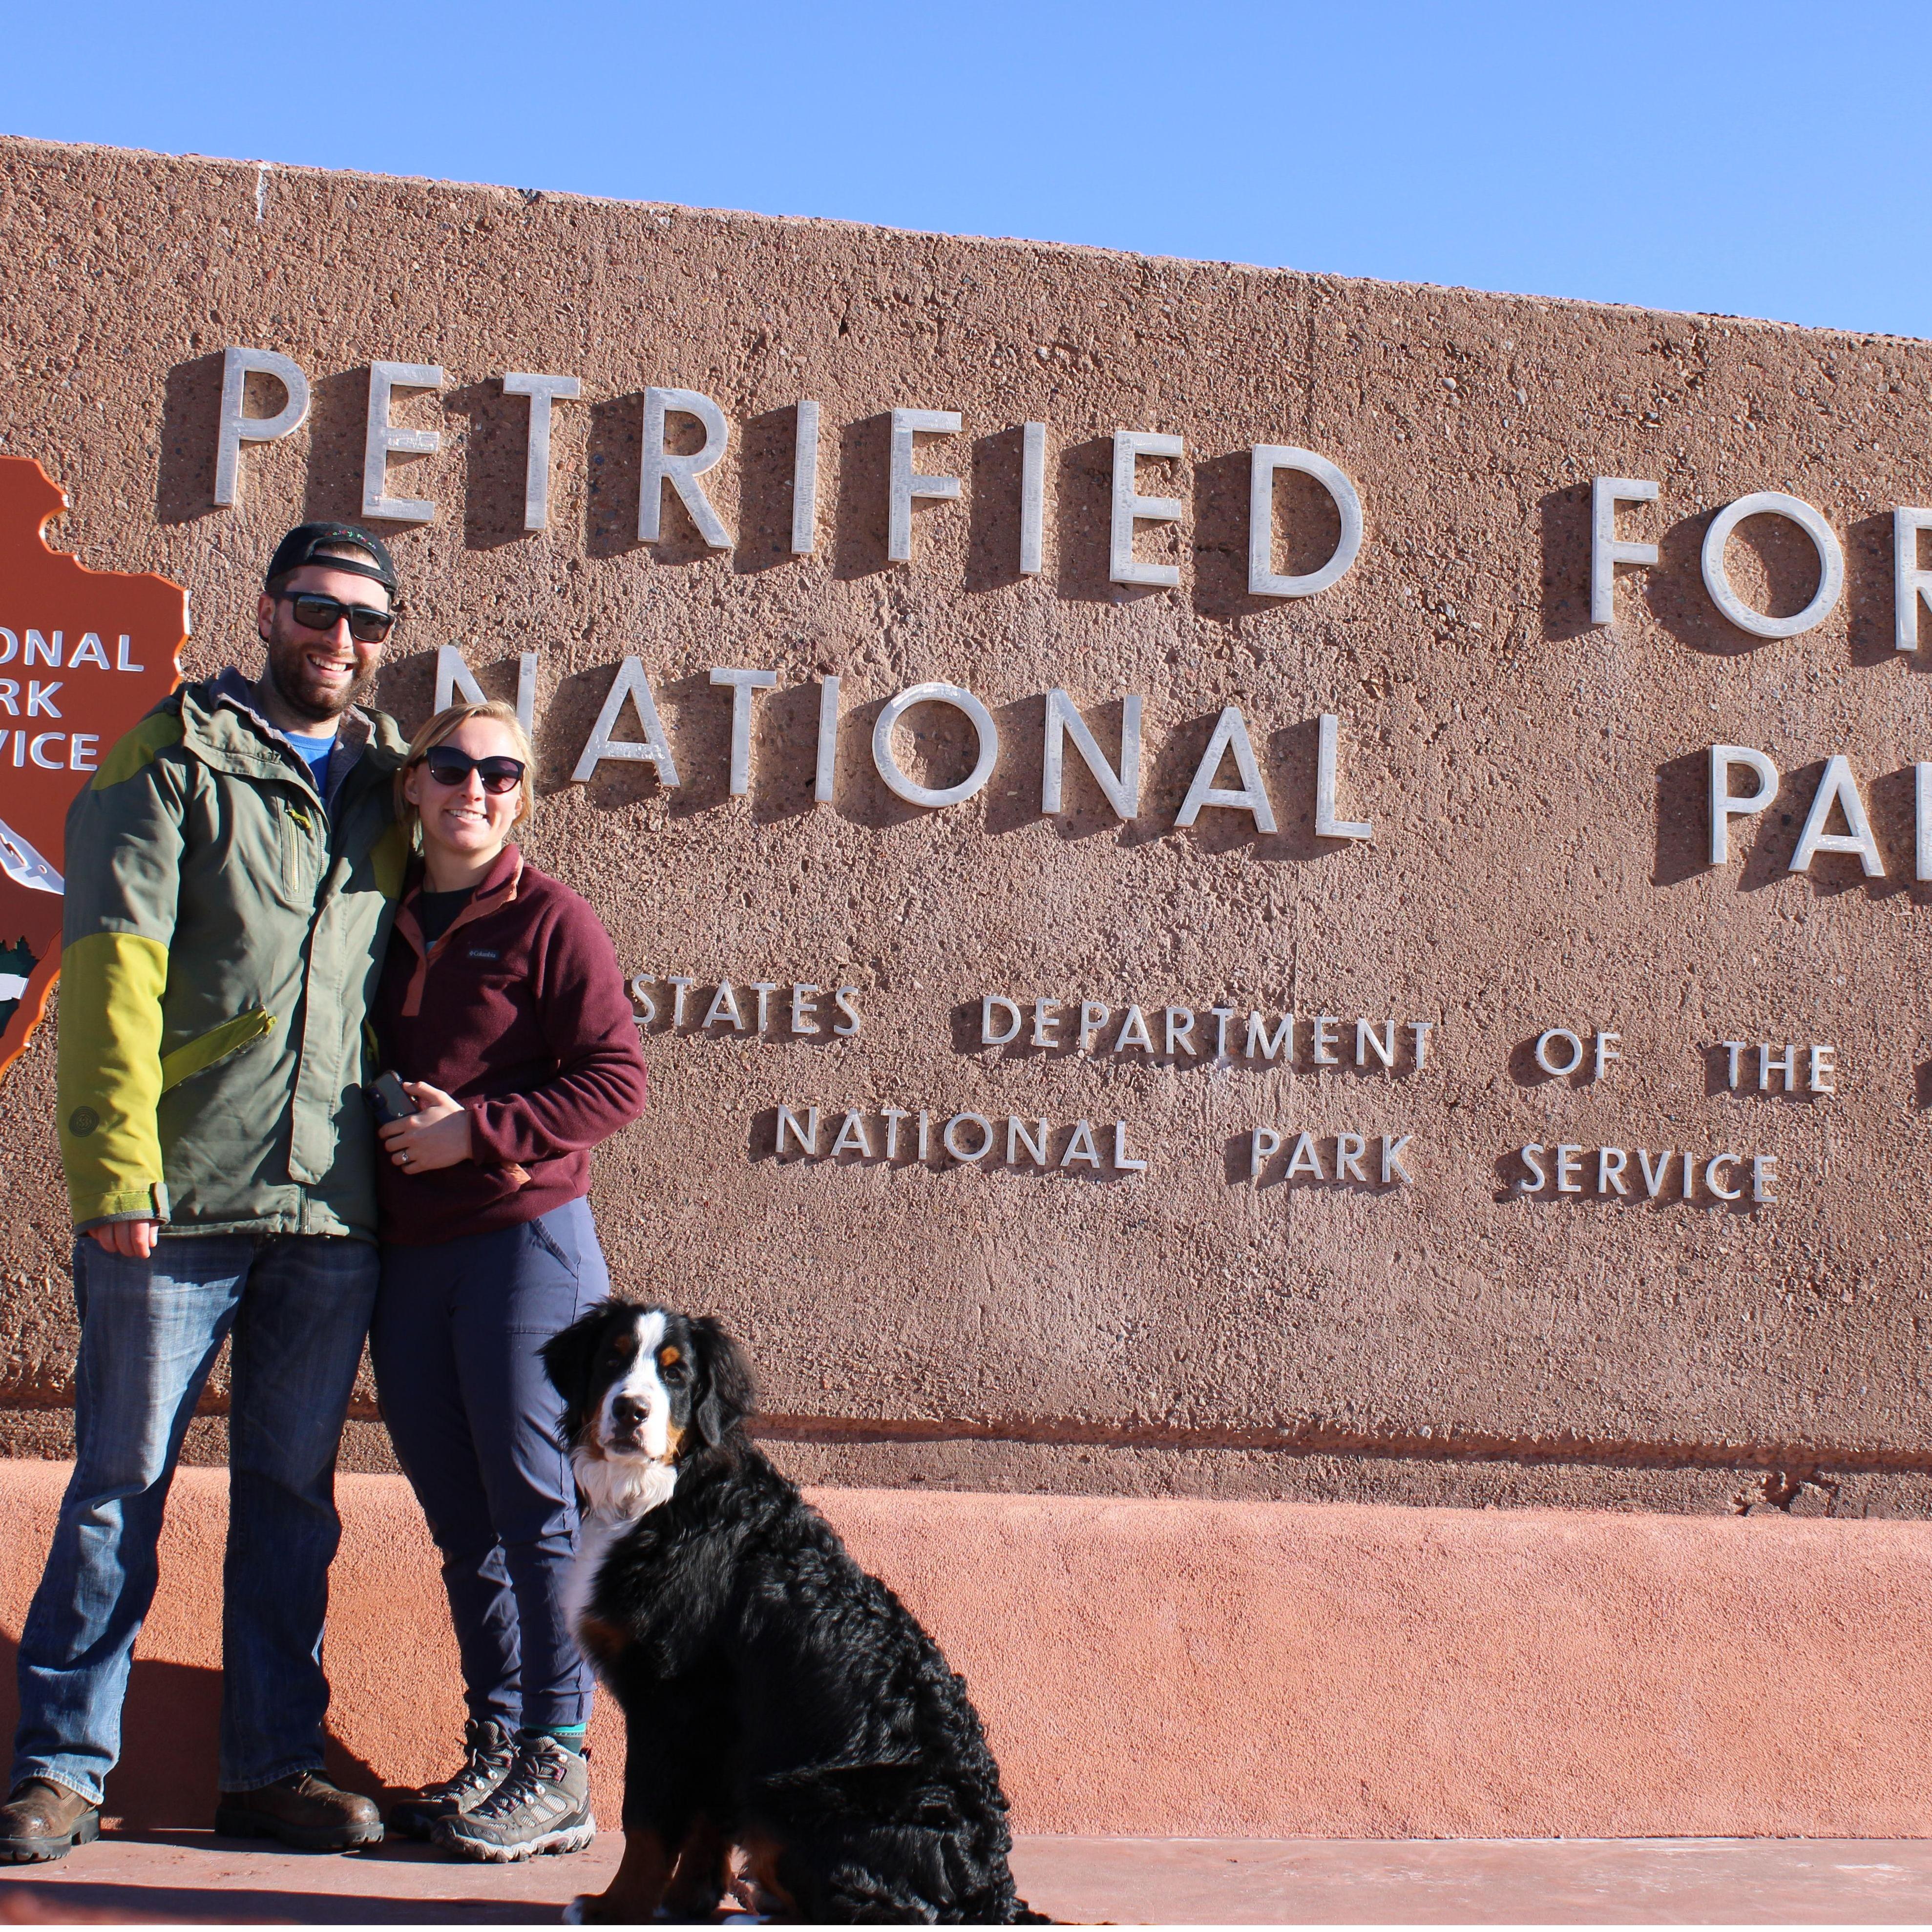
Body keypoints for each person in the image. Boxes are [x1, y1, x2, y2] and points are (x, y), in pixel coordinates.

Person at [2, 524, 412, 1864]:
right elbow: (112, 977)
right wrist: (117, 1168)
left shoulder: (387, 786)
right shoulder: (169, 756)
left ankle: (268, 1766)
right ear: (267, 609)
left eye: (364, 621)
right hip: (175, 1200)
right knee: (121, 1480)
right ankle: (62, 1766)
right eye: (316, 609)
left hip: (330, 1211)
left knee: (292, 1497)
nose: (337, 639)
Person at [367, 700, 647, 1862]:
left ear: (520, 797)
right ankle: (497, 1742)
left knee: (539, 1508)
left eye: (499, 772)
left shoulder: (548, 918)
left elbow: (617, 1078)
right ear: (416, 787)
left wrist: (480, 1133)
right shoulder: (375, 920)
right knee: (460, 1516)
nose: (472, 787)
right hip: (408, 1259)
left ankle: (560, 1760)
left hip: (525, 1243)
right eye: (451, 766)